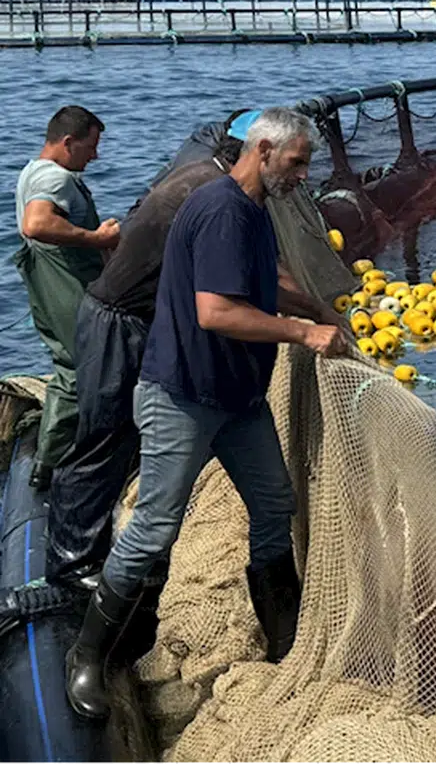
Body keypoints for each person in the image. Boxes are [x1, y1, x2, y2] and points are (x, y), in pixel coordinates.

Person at [65, 108, 345, 721]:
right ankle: (87, 657)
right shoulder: (220, 209)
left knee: (273, 504)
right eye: (297, 162)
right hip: (184, 397)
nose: (304, 175)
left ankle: (284, 645)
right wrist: (304, 332)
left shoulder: (253, 209)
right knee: (154, 527)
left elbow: (261, 283)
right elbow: (216, 311)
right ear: (263, 150)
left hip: (238, 399)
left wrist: (323, 309)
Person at [13, 107, 121, 491]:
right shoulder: (55, 177)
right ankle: (50, 463)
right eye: (90, 147)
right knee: (80, 369)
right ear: (68, 142)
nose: (95, 156)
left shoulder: (31, 171)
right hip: (64, 287)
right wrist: (97, 238)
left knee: (70, 363)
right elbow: (36, 223)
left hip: (46, 287)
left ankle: (53, 457)